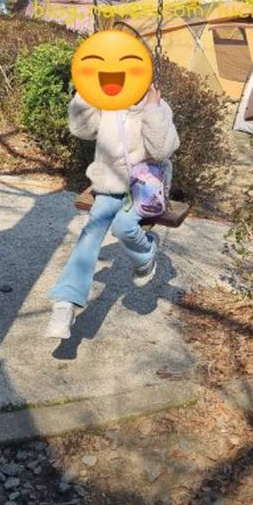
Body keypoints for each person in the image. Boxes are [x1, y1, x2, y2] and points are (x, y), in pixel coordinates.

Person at [45, 83, 180, 340]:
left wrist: (152, 108)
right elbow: (82, 129)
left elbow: (163, 149)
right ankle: (65, 302)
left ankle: (146, 256)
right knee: (91, 233)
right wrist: (85, 94)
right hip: (109, 185)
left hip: (144, 189)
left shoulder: (158, 106)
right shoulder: (108, 104)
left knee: (124, 226)